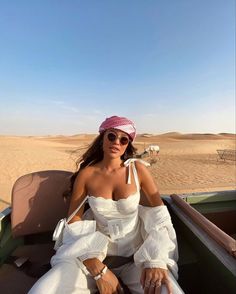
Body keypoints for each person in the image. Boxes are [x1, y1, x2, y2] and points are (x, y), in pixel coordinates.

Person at [29, 115, 183, 294]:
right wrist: (96, 268)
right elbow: (74, 222)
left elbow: (160, 219)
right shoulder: (87, 174)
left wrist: (155, 260)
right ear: (102, 137)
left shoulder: (137, 170)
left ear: (128, 144)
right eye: (111, 136)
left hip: (137, 260)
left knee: (170, 291)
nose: (117, 142)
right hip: (92, 256)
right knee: (42, 291)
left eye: (123, 139)